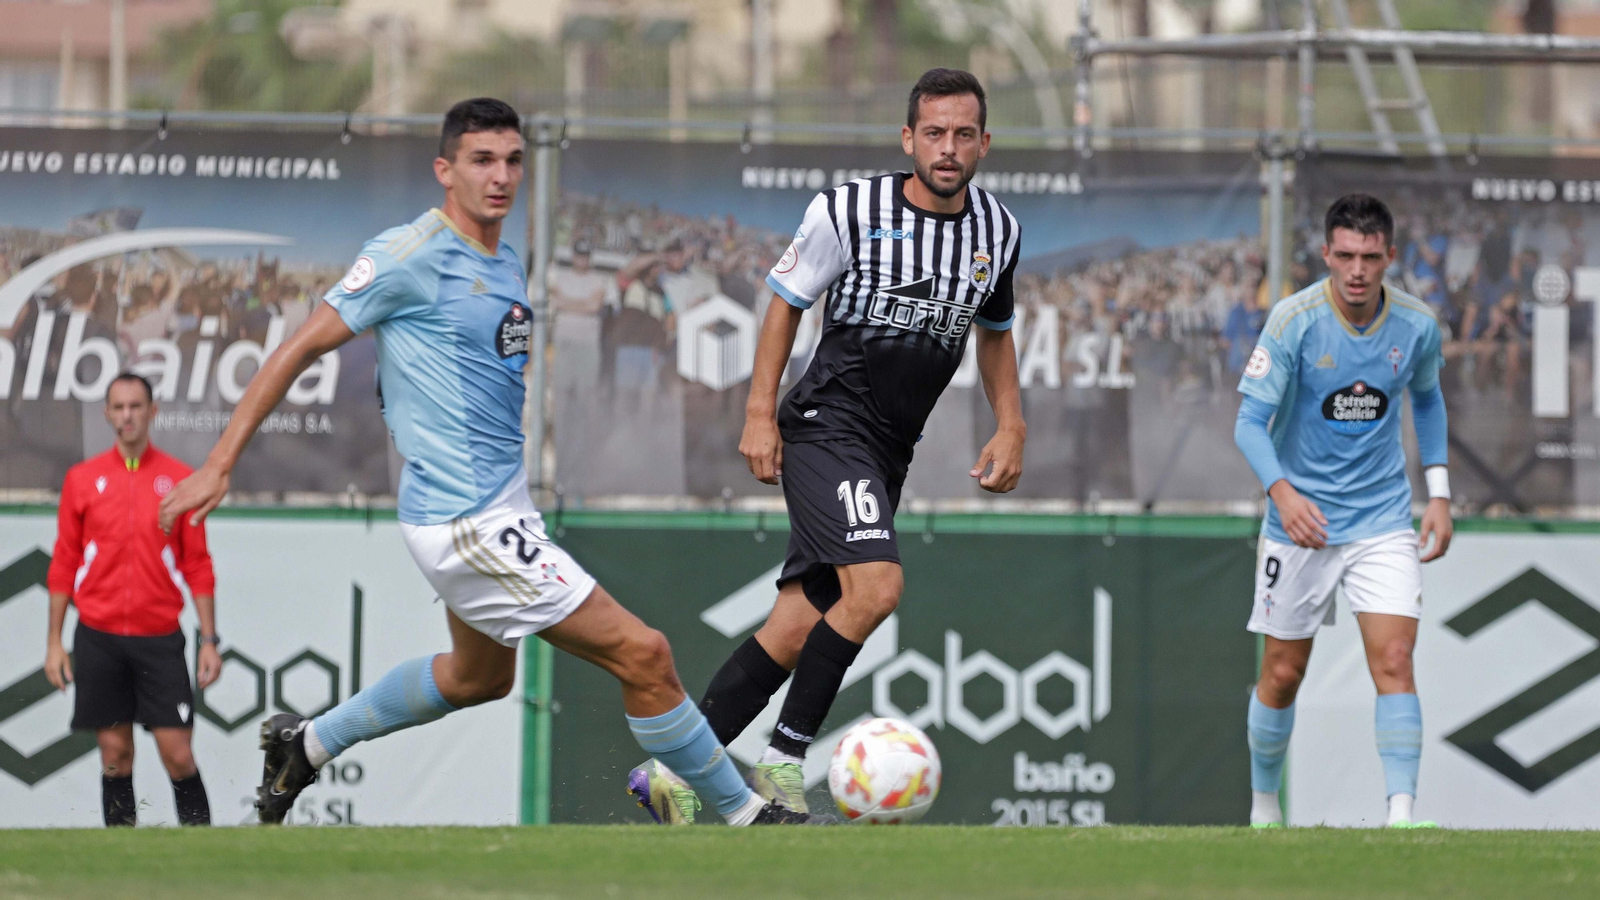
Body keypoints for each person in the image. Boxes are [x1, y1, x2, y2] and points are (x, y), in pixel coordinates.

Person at [157, 97, 827, 827]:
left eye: (512, 160)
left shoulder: (504, 257)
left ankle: (306, 744)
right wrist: (219, 463)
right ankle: (743, 816)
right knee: (646, 653)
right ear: (445, 170)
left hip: (498, 508)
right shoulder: (406, 255)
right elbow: (298, 347)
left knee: (477, 677)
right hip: (465, 520)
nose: (500, 176)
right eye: (481, 160)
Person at [629, 68, 1025, 820]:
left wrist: (1012, 423)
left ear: (984, 143)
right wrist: (757, 412)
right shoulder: (849, 209)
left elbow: (996, 334)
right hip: (825, 425)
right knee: (875, 588)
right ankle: (783, 761)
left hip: (888, 451)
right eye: (933, 133)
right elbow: (783, 303)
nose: (948, 149)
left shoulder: (997, 231)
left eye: (963, 134)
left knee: (796, 625)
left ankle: (673, 777)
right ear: (908, 138)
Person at [1233, 194, 1452, 829]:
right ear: (1326, 255)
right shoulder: (1294, 320)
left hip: (1382, 519)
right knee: (1281, 673)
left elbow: (1429, 402)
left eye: (1370, 257)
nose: (1357, 270)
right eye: (1345, 256)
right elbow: (1249, 423)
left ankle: (1402, 818)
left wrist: (1437, 493)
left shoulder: (1416, 325)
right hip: (1299, 523)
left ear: (1390, 257)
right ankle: (1263, 810)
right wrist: (1283, 493)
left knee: (1394, 660)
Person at [44, 372, 220, 827]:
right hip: (99, 637)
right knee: (115, 754)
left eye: (136, 406)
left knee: (177, 755)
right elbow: (64, 561)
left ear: (152, 412)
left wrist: (209, 640)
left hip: (159, 638)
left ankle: (205, 854)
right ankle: (120, 861)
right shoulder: (82, 480)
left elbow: (197, 564)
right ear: (107, 414)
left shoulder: (180, 480)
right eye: (118, 407)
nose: (127, 416)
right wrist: (54, 642)